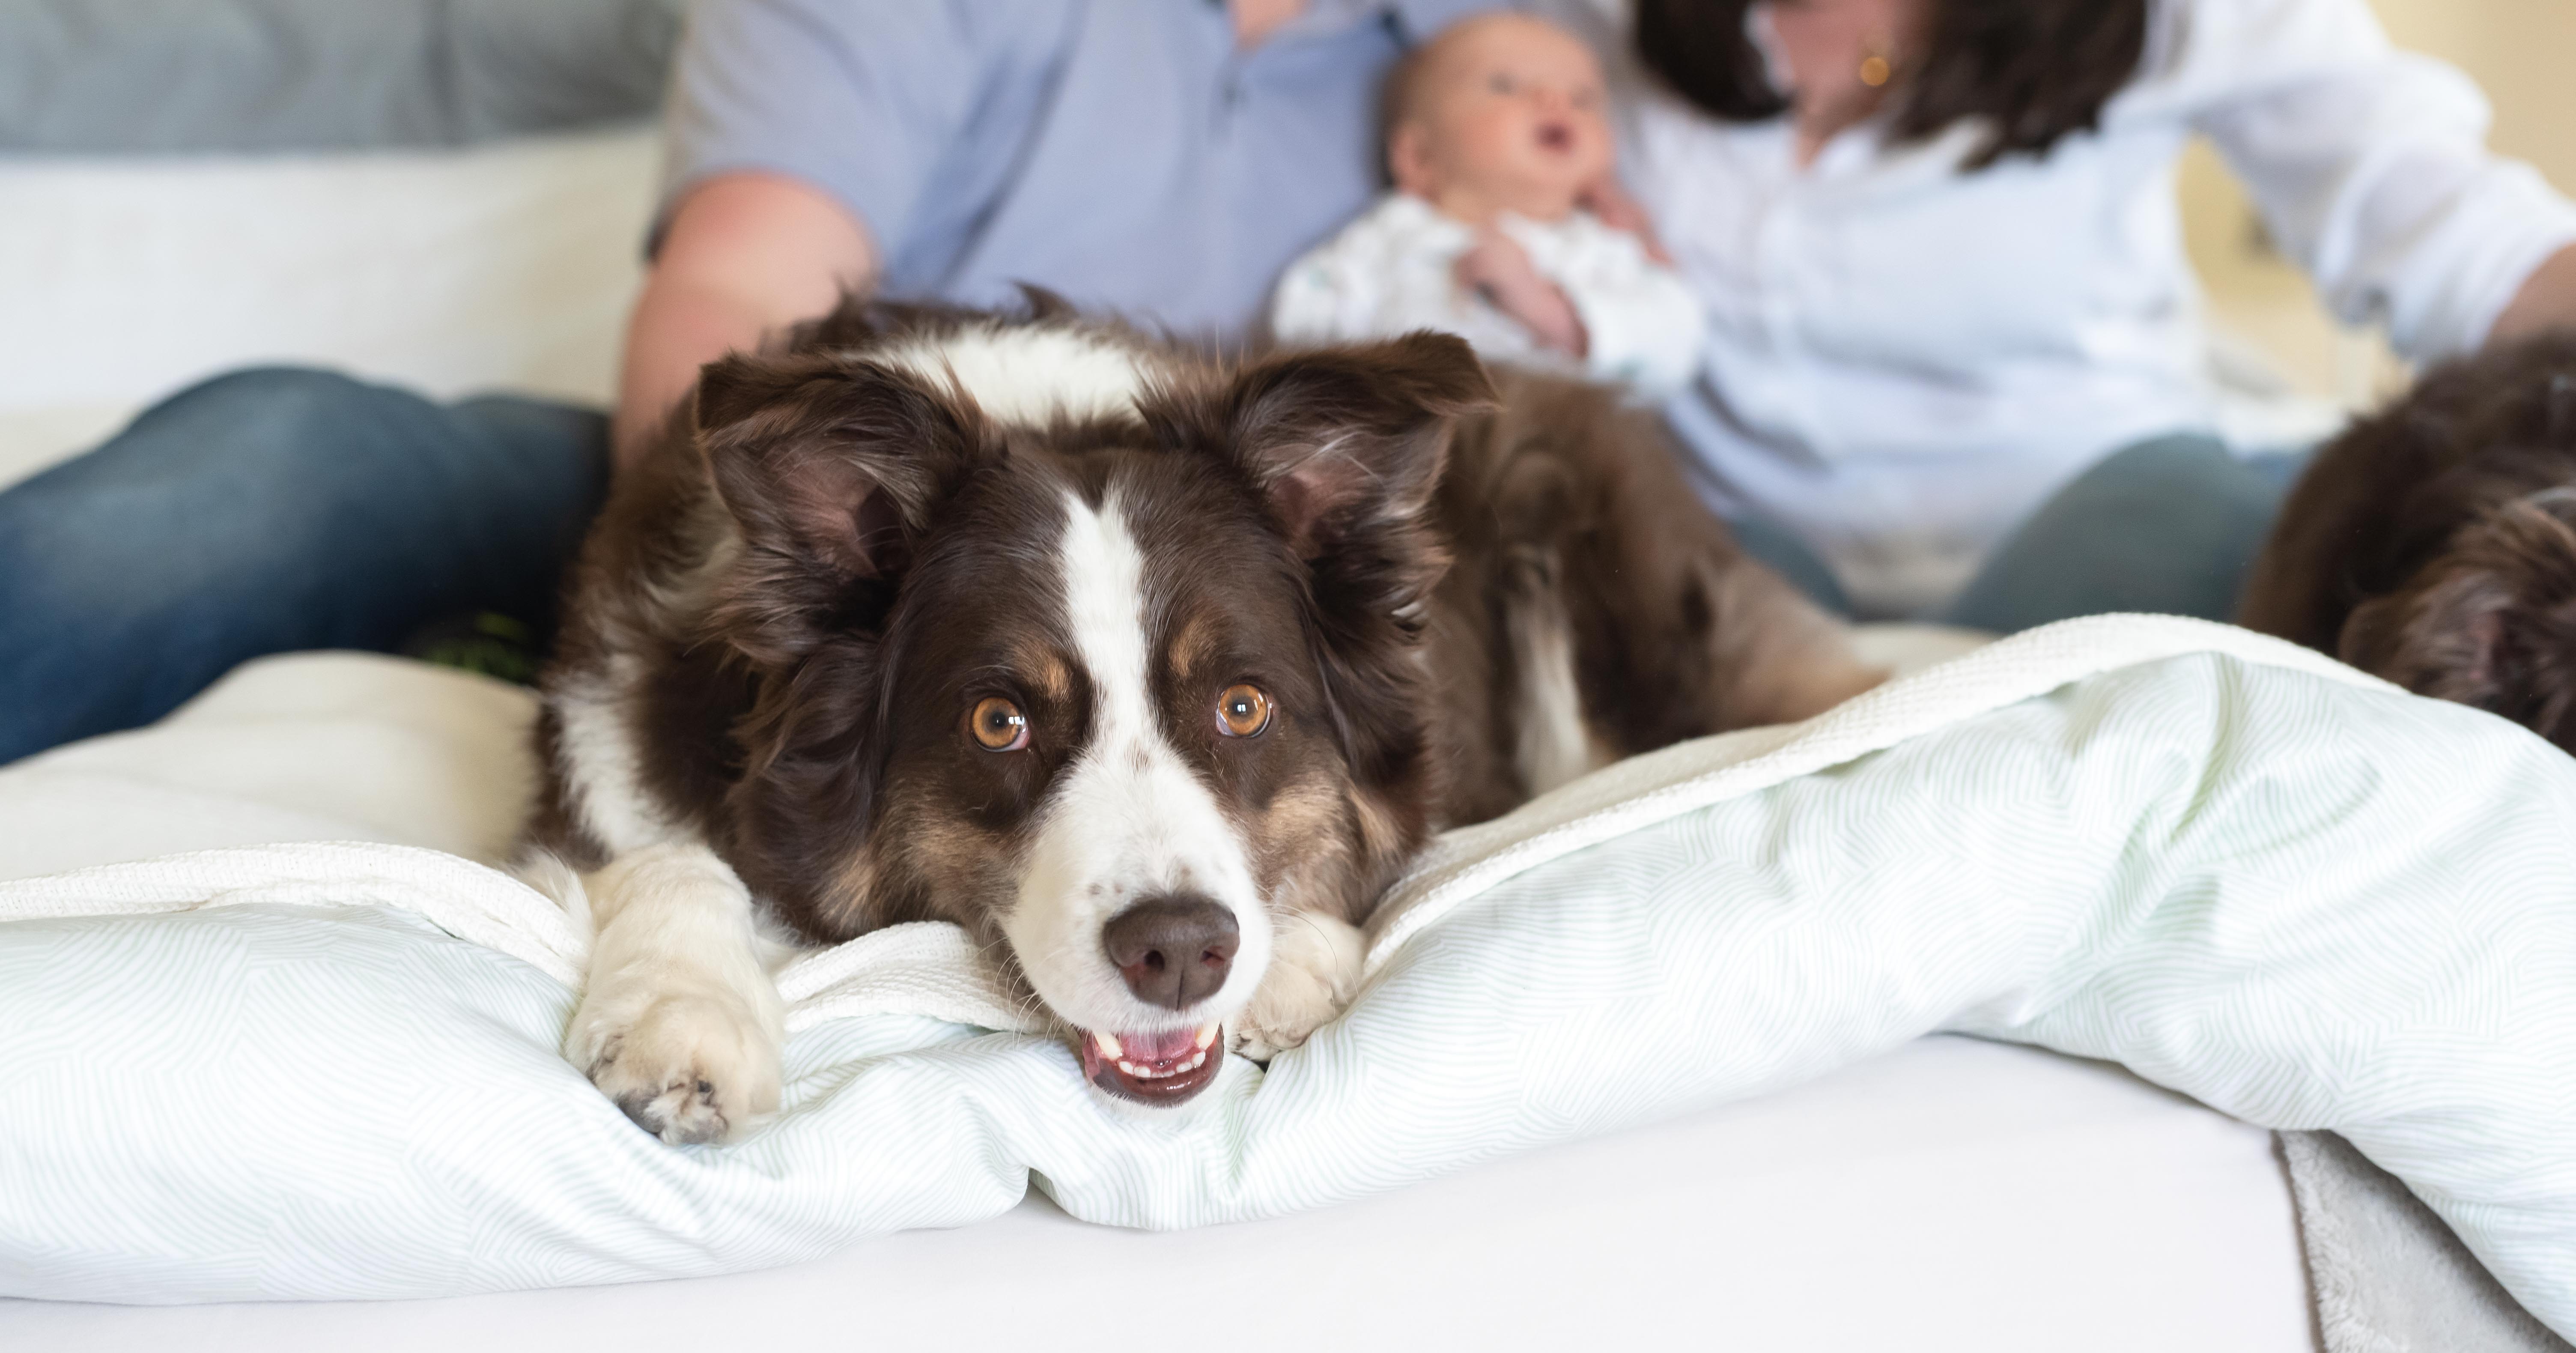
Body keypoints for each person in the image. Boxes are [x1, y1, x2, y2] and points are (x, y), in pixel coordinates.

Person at [0, 0, 1492, 766]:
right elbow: (733, 292)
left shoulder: (1502, 69)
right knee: (278, 469)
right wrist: (795, 597)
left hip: (1202, 603)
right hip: (824, 511)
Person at [1603, 0, 2576, 627]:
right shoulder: (1562, 24)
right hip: (1739, 551)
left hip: (2102, 514)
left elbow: (2461, 234)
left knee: (2195, 520)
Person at [1270, 11, 1702, 395]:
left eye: (1582, 97)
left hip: (1562, 458)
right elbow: (1302, 316)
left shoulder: (1602, 245)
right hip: (1411, 454)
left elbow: (1678, 341)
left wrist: (1557, 317)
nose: (1553, 101)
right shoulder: (1392, 231)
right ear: (1420, 158)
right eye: (1506, 85)